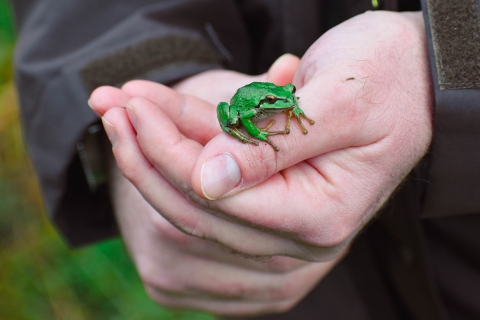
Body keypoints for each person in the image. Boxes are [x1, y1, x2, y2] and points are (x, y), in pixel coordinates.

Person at [11, 0, 480, 319]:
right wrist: (157, 72)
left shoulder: (282, 101)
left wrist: (444, 57)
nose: (287, 109)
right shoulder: (255, 109)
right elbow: (242, 112)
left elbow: (287, 98)